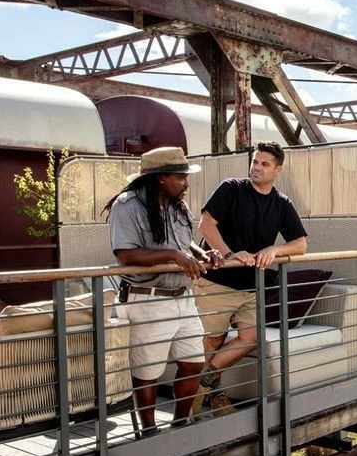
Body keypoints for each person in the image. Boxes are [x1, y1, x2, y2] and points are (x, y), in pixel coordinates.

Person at [104, 147, 222, 434]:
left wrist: (203, 253)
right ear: (160, 178)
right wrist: (173, 256)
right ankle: (149, 431)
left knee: (194, 363)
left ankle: (180, 425)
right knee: (147, 371)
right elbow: (126, 255)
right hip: (147, 299)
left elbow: (183, 243)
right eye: (180, 177)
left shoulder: (178, 205)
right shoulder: (127, 206)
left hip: (183, 297)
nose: (186, 183)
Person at [195, 140, 307, 413]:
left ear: (278, 170)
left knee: (252, 337)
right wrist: (230, 254)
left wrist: (274, 249)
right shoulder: (231, 188)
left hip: (250, 286)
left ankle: (202, 385)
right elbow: (206, 225)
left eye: (264, 164)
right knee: (213, 341)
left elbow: (300, 244)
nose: (257, 167)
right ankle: (206, 403)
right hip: (215, 281)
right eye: (255, 161)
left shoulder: (282, 204)